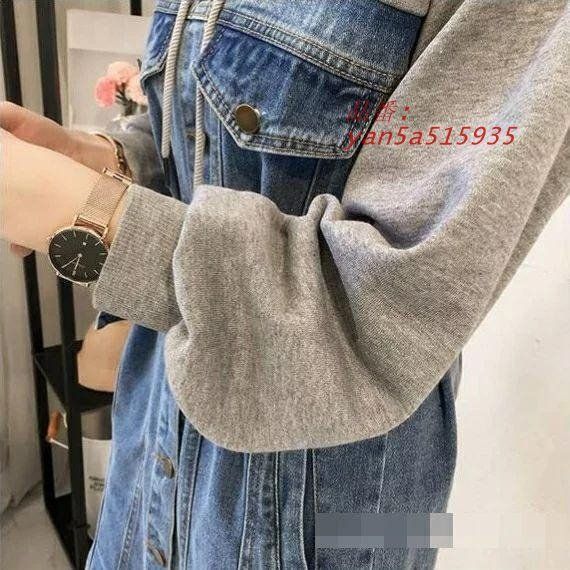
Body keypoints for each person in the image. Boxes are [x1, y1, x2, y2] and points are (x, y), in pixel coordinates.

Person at [1, 0, 568, 567]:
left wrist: (87, 212)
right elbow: (206, 128)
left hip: (340, 496)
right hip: (151, 438)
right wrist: (107, 161)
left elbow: (392, 307)